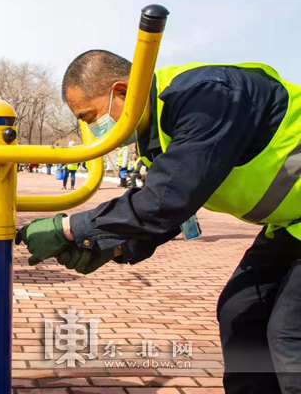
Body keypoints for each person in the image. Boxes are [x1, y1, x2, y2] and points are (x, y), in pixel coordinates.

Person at [16, 50, 301, 394]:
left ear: (121, 91)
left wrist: (67, 228)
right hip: (291, 225)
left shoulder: (207, 97)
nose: (94, 129)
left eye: (90, 116)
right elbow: (172, 212)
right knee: (240, 312)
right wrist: (114, 247)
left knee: (289, 332)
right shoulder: (159, 131)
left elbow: (166, 200)